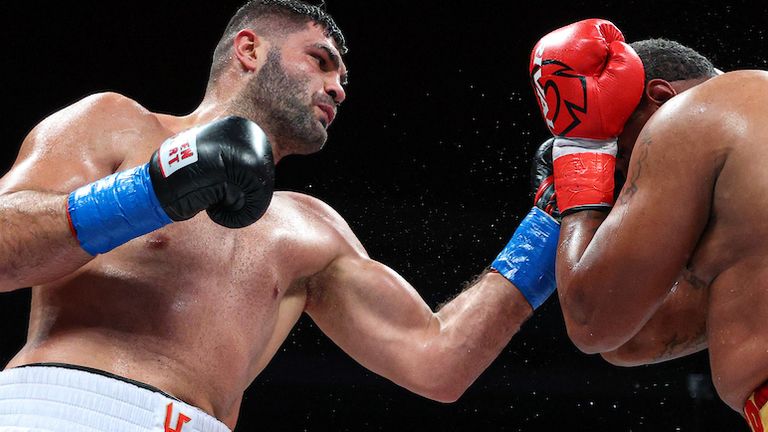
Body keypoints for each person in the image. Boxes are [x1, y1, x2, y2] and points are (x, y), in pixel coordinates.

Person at [0, 1, 559, 431]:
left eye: (342, 79)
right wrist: (150, 191)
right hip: (64, 406)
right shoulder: (115, 124)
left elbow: (438, 364)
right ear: (249, 50)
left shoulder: (313, 230)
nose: (338, 88)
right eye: (321, 62)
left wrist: (551, 223)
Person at [528, 18, 768, 431]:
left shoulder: (690, 113)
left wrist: (582, 165)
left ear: (659, 97)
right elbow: (631, 338)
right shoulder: (743, 204)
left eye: (621, 159)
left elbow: (592, 322)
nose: (623, 189)